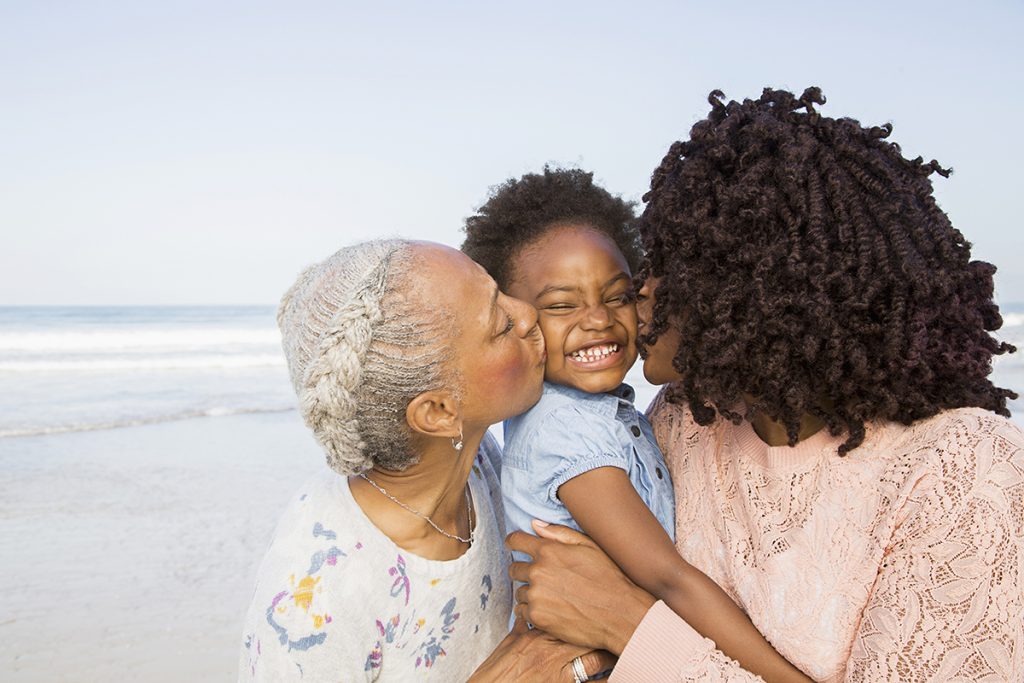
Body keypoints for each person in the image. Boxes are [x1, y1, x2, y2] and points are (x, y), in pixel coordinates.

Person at [507, 88, 1024, 681]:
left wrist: (630, 624)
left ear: (759, 289)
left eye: (680, 262)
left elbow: (621, 605)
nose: (641, 290)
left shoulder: (964, 471)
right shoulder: (682, 421)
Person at [463, 168, 811, 681]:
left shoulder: (611, 410)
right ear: (517, 319)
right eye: (562, 305)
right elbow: (669, 579)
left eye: (619, 296)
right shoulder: (564, 429)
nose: (599, 319)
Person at [238, 239, 606, 681]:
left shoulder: (478, 460)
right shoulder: (315, 597)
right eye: (501, 324)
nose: (527, 315)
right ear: (438, 413)